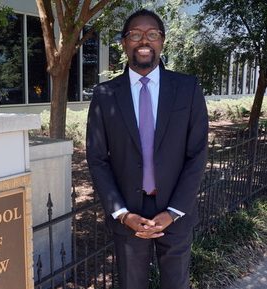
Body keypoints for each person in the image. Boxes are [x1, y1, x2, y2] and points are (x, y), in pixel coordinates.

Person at [86, 9, 208, 289]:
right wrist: (122, 213)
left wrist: (174, 211)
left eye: (152, 34)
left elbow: (197, 154)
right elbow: (97, 158)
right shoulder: (104, 95)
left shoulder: (187, 88)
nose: (144, 40)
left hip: (176, 211)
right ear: (124, 43)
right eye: (135, 34)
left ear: (162, 41)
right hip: (129, 213)